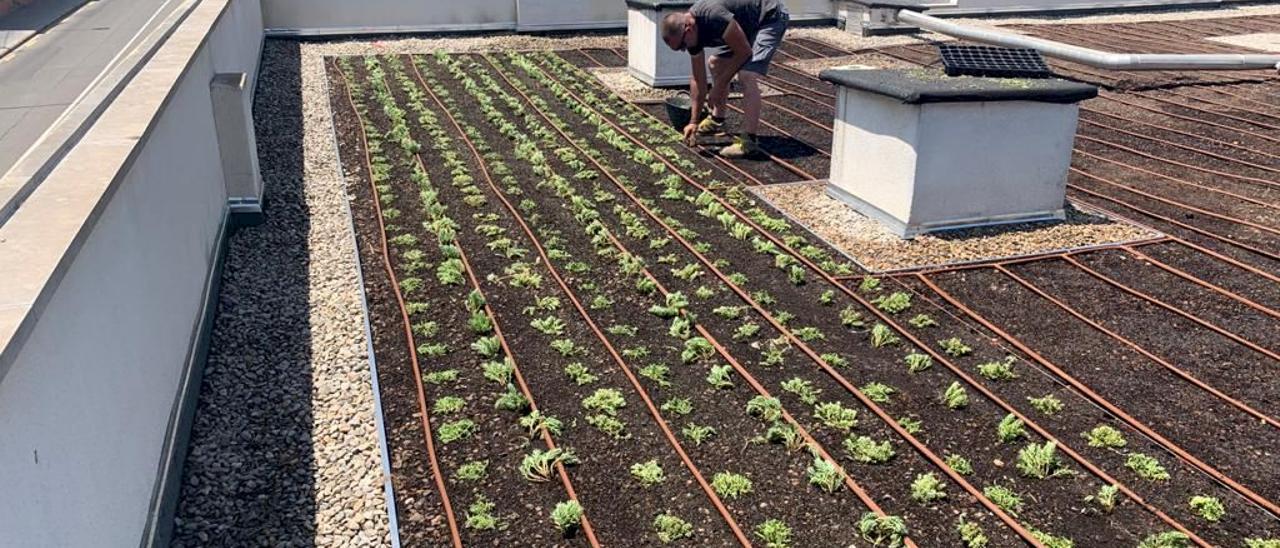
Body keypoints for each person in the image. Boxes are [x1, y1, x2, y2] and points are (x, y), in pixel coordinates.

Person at [661, 0, 789, 159]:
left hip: (769, 17)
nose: (684, 50)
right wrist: (693, 121)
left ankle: (749, 142)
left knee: (747, 75)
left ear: (689, 28)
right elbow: (697, 79)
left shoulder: (713, 16)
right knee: (716, 64)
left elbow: (744, 52)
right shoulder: (691, 35)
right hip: (748, 23)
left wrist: (718, 87)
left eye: (682, 45)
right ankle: (717, 118)